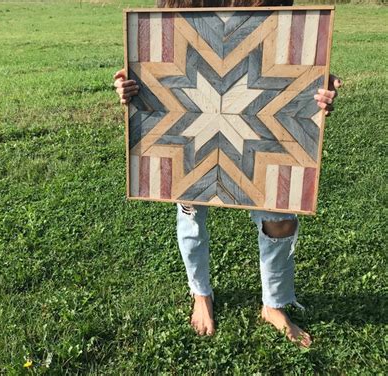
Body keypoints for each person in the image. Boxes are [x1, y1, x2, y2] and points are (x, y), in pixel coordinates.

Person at [114, 0, 342, 348]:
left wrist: (319, 89)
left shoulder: (269, 6)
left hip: (263, 133)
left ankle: (274, 304)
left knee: (280, 218)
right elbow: (155, 63)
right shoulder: (179, 6)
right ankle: (200, 294)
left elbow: (293, 58)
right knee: (190, 212)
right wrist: (130, 85)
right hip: (190, 131)